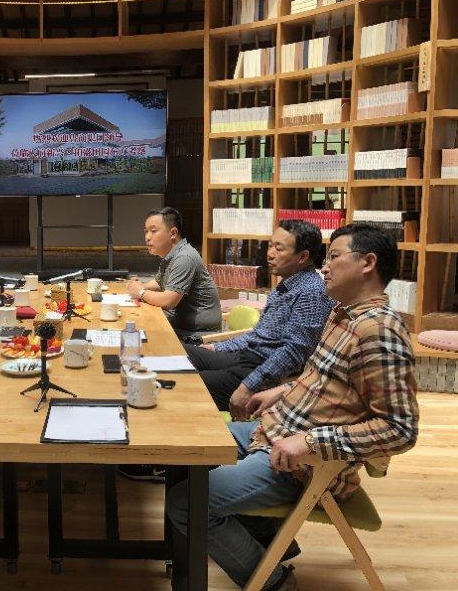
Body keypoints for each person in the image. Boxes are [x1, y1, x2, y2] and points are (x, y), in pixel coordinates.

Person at [165, 223, 419, 591]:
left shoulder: (379, 332)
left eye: (334, 257)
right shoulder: (344, 315)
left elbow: (400, 430)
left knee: (184, 503)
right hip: (274, 430)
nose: (324, 267)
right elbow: (326, 381)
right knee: (183, 449)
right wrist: (282, 391)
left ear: (368, 263)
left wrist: (310, 442)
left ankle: (272, 581)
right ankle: (263, 542)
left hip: (304, 464)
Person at [186, 219, 334, 416]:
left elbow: (293, 352)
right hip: (247, 357)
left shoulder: (311, 292)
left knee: (186, 383)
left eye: (279, 249)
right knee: (184, 354)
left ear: (303, 256)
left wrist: (248, 386)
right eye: (270, 245)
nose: (270, 253)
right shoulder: (286, 285)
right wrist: (215, 348)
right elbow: (258, 335)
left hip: (264, 371)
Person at [126, 207, 221, 338]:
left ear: (173, 233)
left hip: (197, 335)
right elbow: (159, 282)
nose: (147, 237)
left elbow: (168, 301)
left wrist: (141, 292)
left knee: (135, 335)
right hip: (178, 326)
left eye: (153, 231)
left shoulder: (184, 257)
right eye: (146, 231)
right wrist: (138, 286)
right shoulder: (170, 255)